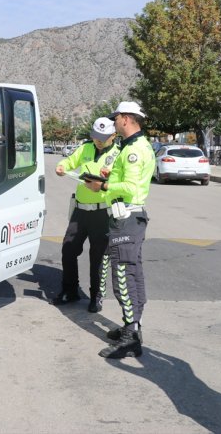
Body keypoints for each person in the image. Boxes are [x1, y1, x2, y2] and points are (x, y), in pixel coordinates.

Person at [84, 101, 155, 359]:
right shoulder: (133, 146)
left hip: (126, 217)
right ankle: (133, 326)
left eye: (115, 119)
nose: (113, 123)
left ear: (126, 119)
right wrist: (106, 178)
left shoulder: (135, 149)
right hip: (127, 217)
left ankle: (130, 338)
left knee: (123, 276)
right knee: (133, 274)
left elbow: (131, 187)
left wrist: (102, 188)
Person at [51, 117, 119, 313]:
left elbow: (118, 185)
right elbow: (70, 160)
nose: (98, 140)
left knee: (98, 257)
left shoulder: (118, 154)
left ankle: (96, 296)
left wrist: (103, 187)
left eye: (103, 137)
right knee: (68, 249)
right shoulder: (85, 148)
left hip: (102, 212)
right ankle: (70, 290)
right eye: (96, 136)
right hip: (81, 211)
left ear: (113, 136)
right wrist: (62, 166)